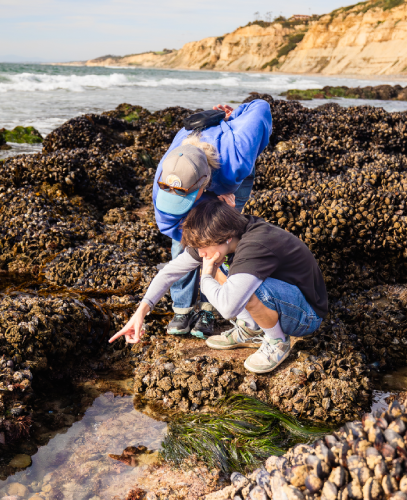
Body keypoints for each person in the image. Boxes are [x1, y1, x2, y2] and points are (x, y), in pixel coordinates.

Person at [109, 199, 329, 374]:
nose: (200, 253)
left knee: (236, 284)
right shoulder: (217, 240)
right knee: (219, 268)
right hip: (280, 299)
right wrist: (140, 313)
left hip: (306, 315)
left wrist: (205, 276)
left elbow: (228, 308)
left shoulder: (255, 246)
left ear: (225, 237)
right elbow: (168, 273)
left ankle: (277, 341)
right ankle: (252, 330)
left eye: (203, 247)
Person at [153, 99, 272, 340]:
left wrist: (236, 114)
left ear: (203, 186)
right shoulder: (164, 180)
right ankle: (182, 309)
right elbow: (170, 226)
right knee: (185, 242)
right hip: (191, 168)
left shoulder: (235, 160)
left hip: (227, 176)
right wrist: (195, 247)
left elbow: (261, 106)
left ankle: (209, 308)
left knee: (220, 241)